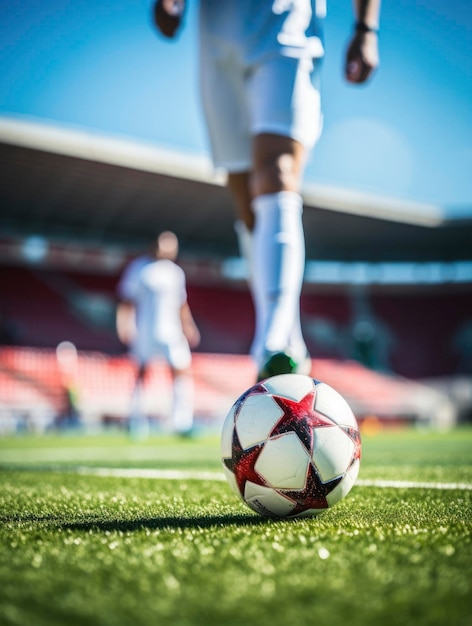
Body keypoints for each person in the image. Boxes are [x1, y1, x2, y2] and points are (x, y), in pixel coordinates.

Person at [153, 0, 381, 381]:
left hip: (287, 20)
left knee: (277, 169)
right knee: (246, 198)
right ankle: (288, 337)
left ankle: (273, 342)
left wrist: (365, 27)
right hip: (216, 28)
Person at [116, 231, 201, 437]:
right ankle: (136, 421)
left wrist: (188, 325)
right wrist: (124, 323)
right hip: (146, 330)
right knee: (141, 372)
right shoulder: (139, 268)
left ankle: (181, 421)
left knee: (181, 370)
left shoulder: (176, 273)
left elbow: (181, 304)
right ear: (155, 244)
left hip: (172, 331)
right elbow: (126, 300)